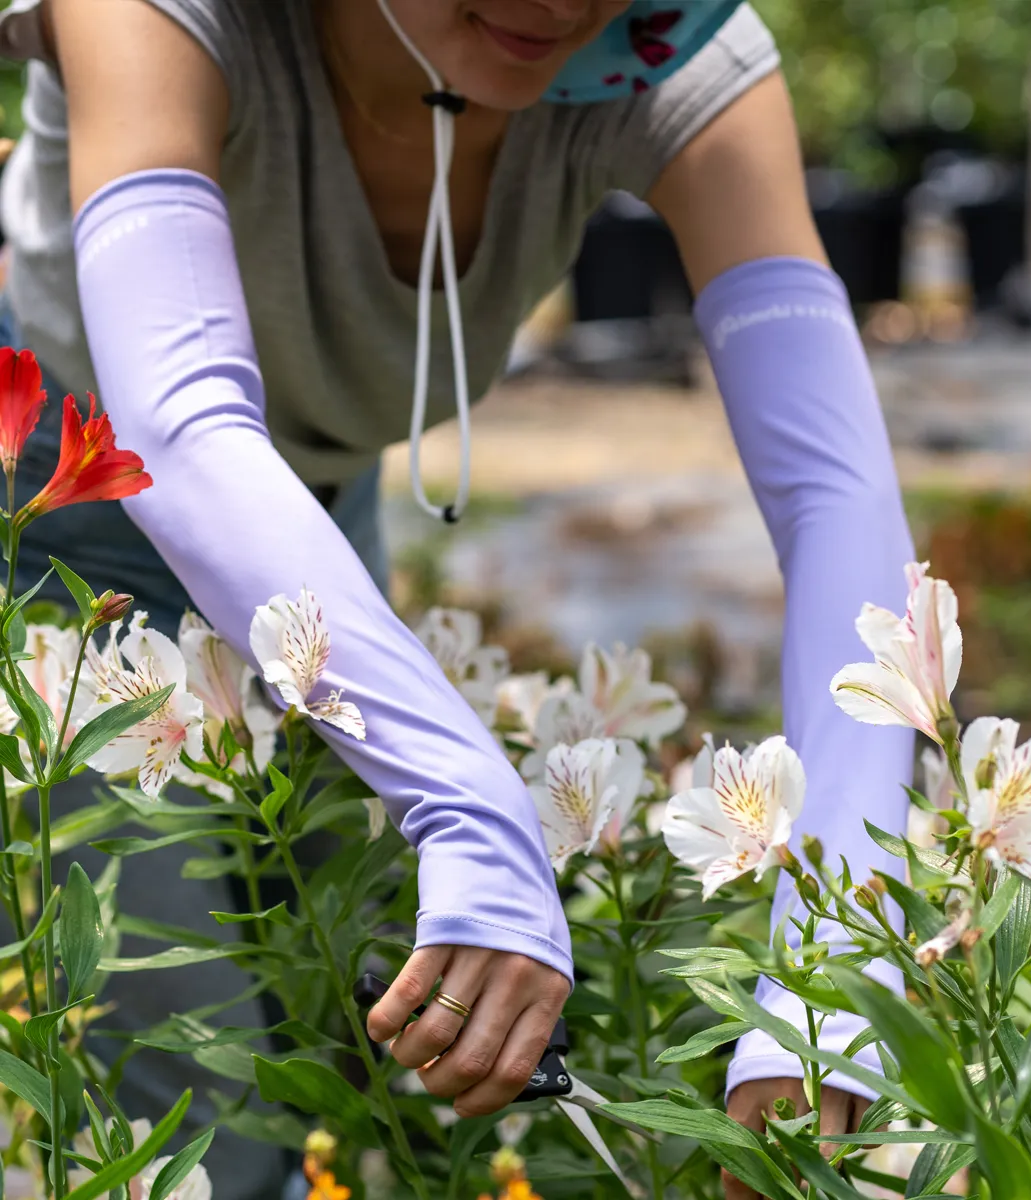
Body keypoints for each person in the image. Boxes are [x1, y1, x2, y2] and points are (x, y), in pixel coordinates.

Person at [0, 1, 916, 1197]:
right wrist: (466, 801)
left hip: (309, 502)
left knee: (361, 1002)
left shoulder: (669, 56)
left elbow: (836, 498)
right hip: (66, 482)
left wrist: (833, 972)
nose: (556, 5)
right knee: (192, 1069)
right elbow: (177, 421)